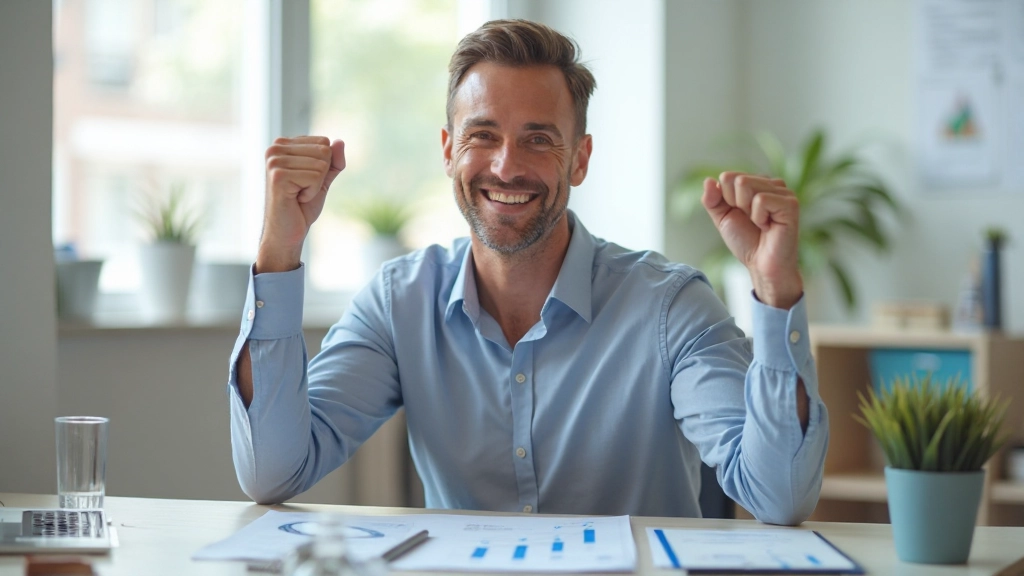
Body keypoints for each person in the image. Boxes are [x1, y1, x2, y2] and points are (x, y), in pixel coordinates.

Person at [228, 19, 828, 524]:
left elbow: (777, 496)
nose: (506, 166)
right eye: (482, 135)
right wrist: (279, 250)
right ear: (448, 151)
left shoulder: (672, 308)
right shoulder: (398, 303)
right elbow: (273, 472)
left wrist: (774, 290)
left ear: (581, 159)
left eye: (538, 139)